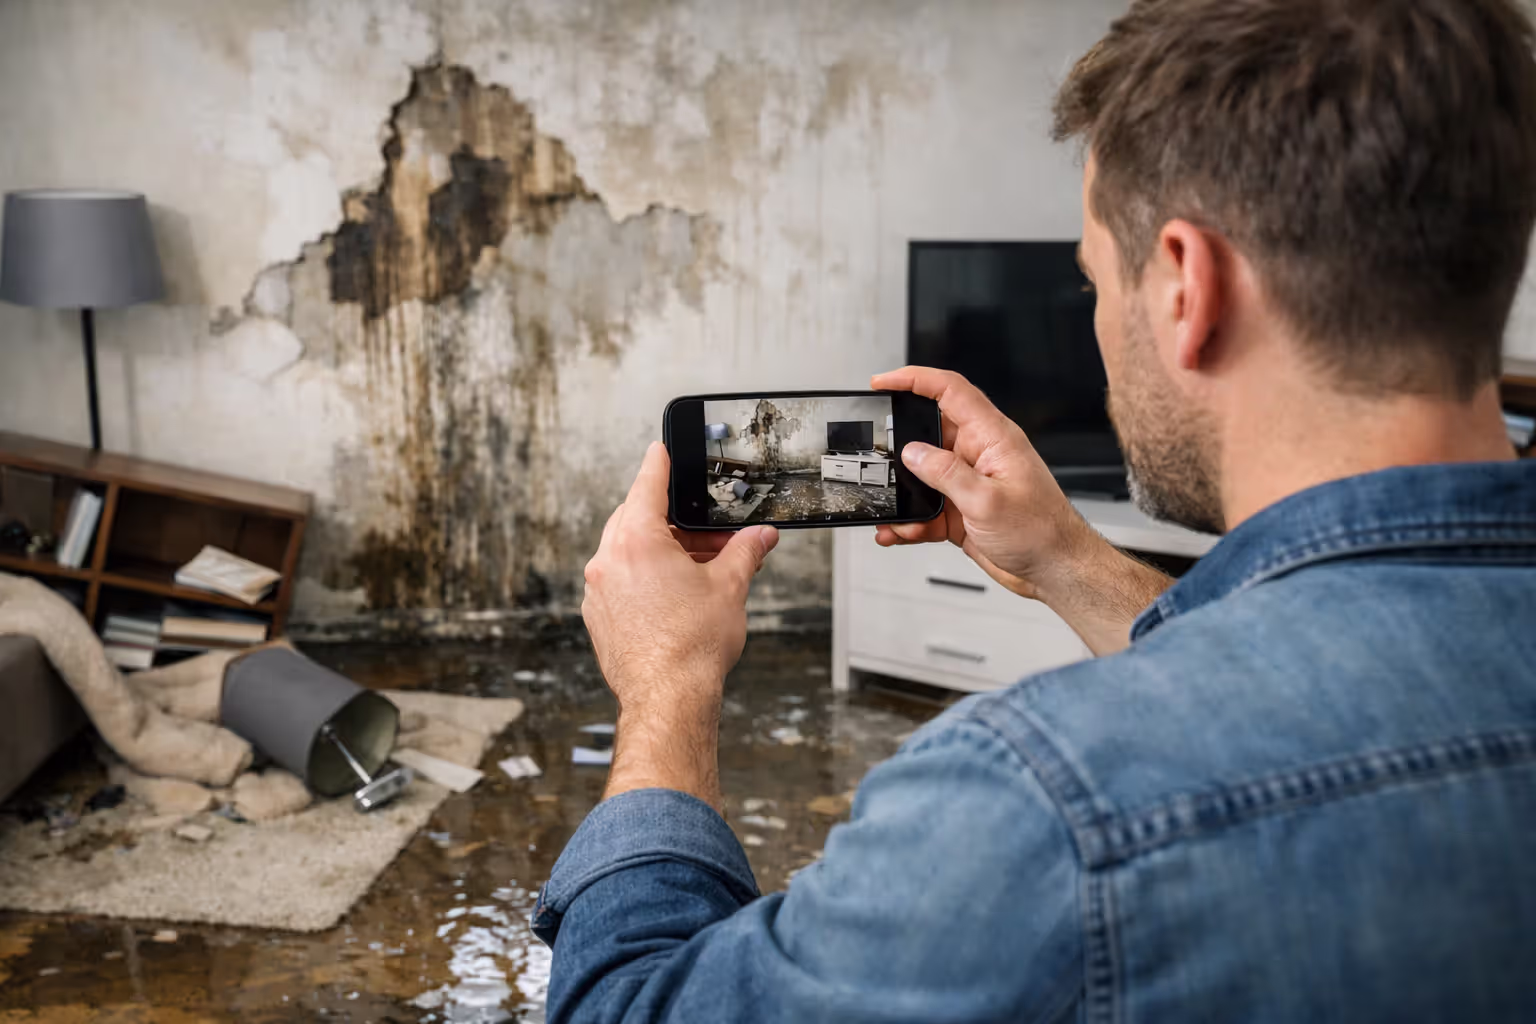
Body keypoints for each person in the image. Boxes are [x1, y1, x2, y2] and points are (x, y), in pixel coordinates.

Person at [533, 0, 1536, 1019]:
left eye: (1095, 283)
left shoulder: (1045, 797)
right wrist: (1067, 557)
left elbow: (625, 1006)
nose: (1096, 323)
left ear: (1187, 287)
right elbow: (1313, 683)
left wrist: (666, 684)